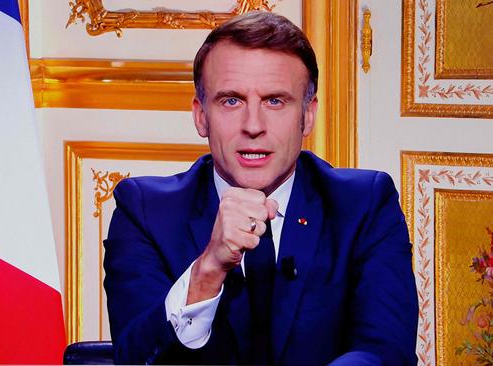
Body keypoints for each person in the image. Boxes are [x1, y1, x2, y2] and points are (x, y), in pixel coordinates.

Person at [104, 11, 418, 365]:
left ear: (308, 115)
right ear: (201, 115)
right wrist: (207, 270)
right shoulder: (143, 211)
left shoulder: (365, 205)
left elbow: (385, 353)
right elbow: (135, 357)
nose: (253, 125)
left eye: (275, 101)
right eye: (231, 100)